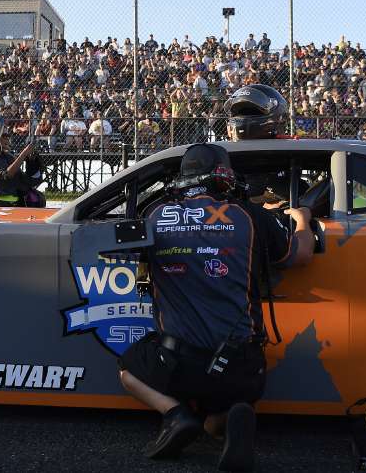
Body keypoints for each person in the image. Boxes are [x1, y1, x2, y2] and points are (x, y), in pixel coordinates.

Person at [118, 143, 315, 471]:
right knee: (217, 413)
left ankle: (176, 415)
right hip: (241, 367)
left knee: (127, 367)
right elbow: (300, 254)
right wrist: (302, 218)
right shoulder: (252, 217)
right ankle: (225, 419)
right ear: (224, 177)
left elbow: (121, 247)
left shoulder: (154, 215)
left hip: (177, 364)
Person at [0, 122, 44, 207]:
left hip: (18, 202)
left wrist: (32, 163)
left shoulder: (8, 156)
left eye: (8, 135)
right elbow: (5, 175)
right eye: (4, 135)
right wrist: (23, 154)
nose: (8, 138)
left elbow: (26, 181)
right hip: (0, 203)